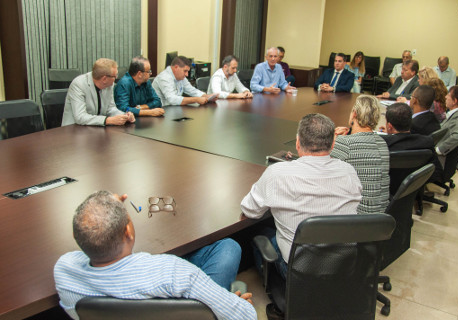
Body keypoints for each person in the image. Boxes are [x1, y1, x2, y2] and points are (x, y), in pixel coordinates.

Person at [54, 190, 255, 320]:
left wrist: (105, 210)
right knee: (228, 248)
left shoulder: (64, 273)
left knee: (228, 247)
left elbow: (85, 245)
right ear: (128, 233)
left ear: (75, 237)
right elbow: (246, 316)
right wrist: (234, 305)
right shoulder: (172, 271)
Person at [241, 113, 362, 280]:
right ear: (333, 144)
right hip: (341, 264)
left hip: (298, 272)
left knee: (260, 232)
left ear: (297, 142)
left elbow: (250, 211)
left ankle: (276, 284)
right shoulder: (349, 171)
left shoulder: (277, 174)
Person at [331, 95, 390, 215]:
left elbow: (321, 171)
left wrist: (333, 140)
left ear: (354, 114)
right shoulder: (382, 142)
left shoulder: (345, 143)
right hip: (382, 216)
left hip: (357, 216)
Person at [380, 102, 438, 194]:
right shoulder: (427, 141)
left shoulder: (382, 144)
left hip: (386, 189)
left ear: (390, 126)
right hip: (413, 187)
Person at [62, 58, 136, 126]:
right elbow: (80, 117)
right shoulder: (78, 84)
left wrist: (124, 116)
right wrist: (107, 120)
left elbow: (110, 108)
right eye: (115, 76)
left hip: (93, 129)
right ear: (104, 79)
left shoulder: (109, 85)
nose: (116, 78)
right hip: (73, 130)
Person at [152, 56, 216, 106]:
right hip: (161, 110)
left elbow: (191, 90)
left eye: (187, 71)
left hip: (174, 109)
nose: (187, 74)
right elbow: (172, 99)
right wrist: (196, 99)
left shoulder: (180, 76)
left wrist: (206, 96)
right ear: (176, 67)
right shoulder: (164, 77)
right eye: (185, 71)